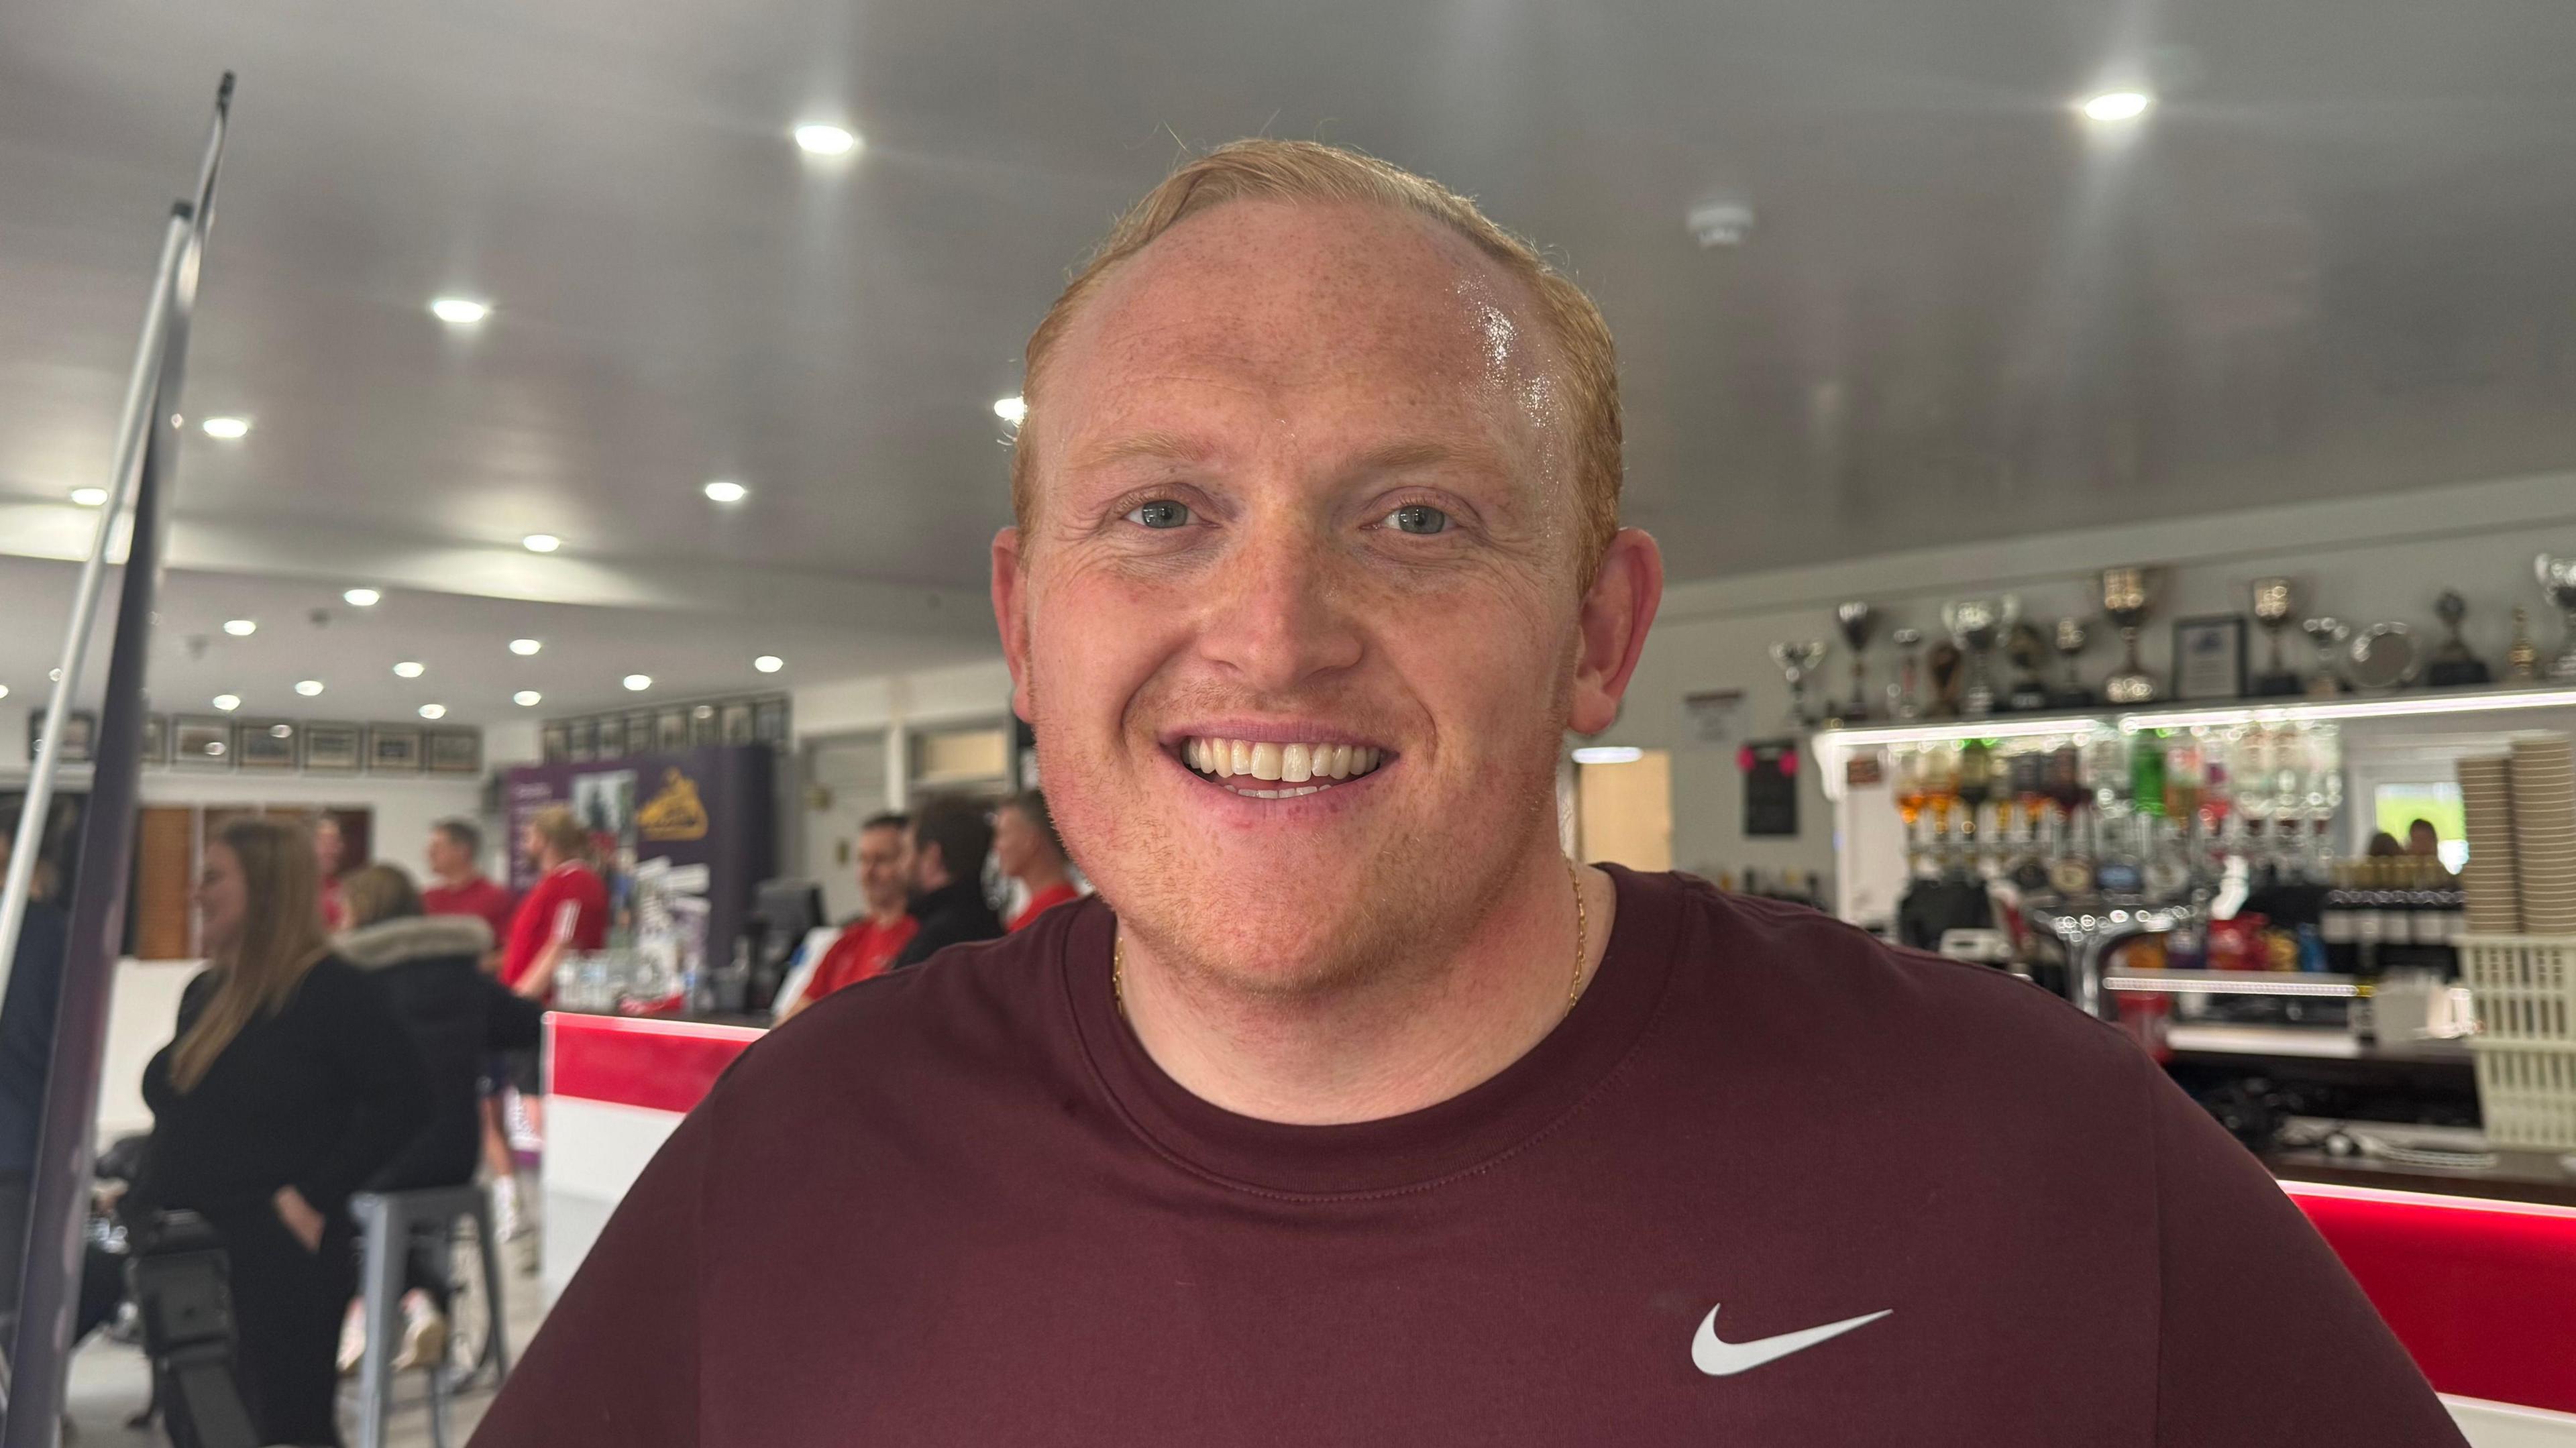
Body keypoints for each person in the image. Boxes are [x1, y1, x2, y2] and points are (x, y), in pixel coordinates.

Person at [478, 142, 2464, 1445]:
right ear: (1022, 621)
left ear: (1596, 632)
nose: (1270, 629)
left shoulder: (2034, 1150)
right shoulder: (803, 1153)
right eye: (1162, 510)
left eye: (1413, 515)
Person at [128, 817, 429, 1446]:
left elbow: (407, 1098)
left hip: (275, 1259)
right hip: (194, 1259)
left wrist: (313, 1196)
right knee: (205, 1426)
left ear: (264, 888)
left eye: (213, 877)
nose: (197, 892)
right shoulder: (209, 991)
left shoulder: (331, 990)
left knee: (280, 1426)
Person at [334, 864, 543, 1373]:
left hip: (376, 1159)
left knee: (322, 1194)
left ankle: (366, 1311)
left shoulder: (347, 979)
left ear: (358, 912)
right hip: (454, 1155)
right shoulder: (462, 977)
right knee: (413, 1210)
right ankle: (422, 1300)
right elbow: (529, 1024)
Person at [0, 830, 69, 1333]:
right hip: (21, 1138)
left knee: (15, 1291)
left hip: (19, 1142)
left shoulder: (45, 935)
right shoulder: (47, 933)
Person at [774, 814, 916, 1021]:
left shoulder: (919, 938)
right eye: (863, 859)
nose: (869, 872)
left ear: (908, 863)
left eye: (881, 860)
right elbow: (792, 1020)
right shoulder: (848, 941)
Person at [502, 805, 608, 1003]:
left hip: (542, 1009)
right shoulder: (550, 883)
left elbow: (562, 946)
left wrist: (519, 1001)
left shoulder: (577, 882)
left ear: (543, 840)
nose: (525, 846)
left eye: (528, 838)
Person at [885, 795, 1002, 971]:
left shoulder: (933, 947)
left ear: (932, 856)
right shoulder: (993, 929)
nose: (901, 866)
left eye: (906, 852)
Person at [421, 818, 515, 968]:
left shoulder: (496, 898)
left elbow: (511, 952)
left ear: (463, 851)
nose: (429, 853)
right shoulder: (426, 899)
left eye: (437, 847)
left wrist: (470, 969)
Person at [994, 789, 1081, 932]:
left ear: (1030, 840)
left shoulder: (1035, 925)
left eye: (1003, 834)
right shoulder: (1077, 908)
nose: (997, 846)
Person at [313, 814, 349, 931]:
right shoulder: (292, 890)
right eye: (324, 842)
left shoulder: (346, 889)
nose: (331, 850)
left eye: (335, 842)